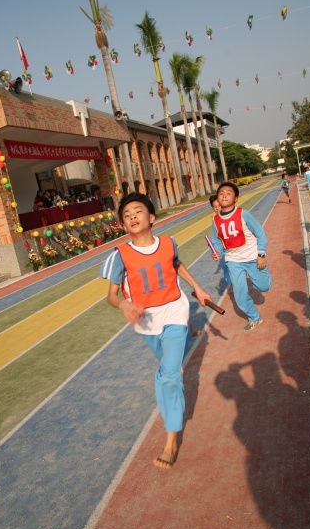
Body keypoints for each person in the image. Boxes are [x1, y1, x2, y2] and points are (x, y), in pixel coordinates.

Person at [100, 192, 212, 469]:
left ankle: (171, 440)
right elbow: (111, 296)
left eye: (137, 211)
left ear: (151, 217)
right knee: (165, 370)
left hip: (174, 309)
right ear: (124, 225)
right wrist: (124, 304)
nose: (132, 217)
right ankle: (183, 339)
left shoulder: (168, 243)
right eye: (127, 216)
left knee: (172, 373)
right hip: (146, 321)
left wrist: (197, 288)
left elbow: (176, 264)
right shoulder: (119, 256)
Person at [210, 182, 272, 330]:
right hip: (233, 260)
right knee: (239, 294)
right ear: (217, 199)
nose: (224, 195)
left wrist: (261, 254)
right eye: (221, 193)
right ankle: (254, 317)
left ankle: (258, 278)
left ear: (236, 198)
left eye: (228, 193)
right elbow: (217, 242)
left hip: (252, 256)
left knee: (264, 286)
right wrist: (216, 252)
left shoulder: (243, 214)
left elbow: (260, 233)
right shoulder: (215, 221)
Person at [209, 194, 231, 287]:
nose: (217, 208)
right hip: (224, 253)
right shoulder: (215, 221)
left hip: (235, 250)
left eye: (219, 206)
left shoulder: (231, 217)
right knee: (228, 275)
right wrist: (216, 252)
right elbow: (215, 240)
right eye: (215, 207)